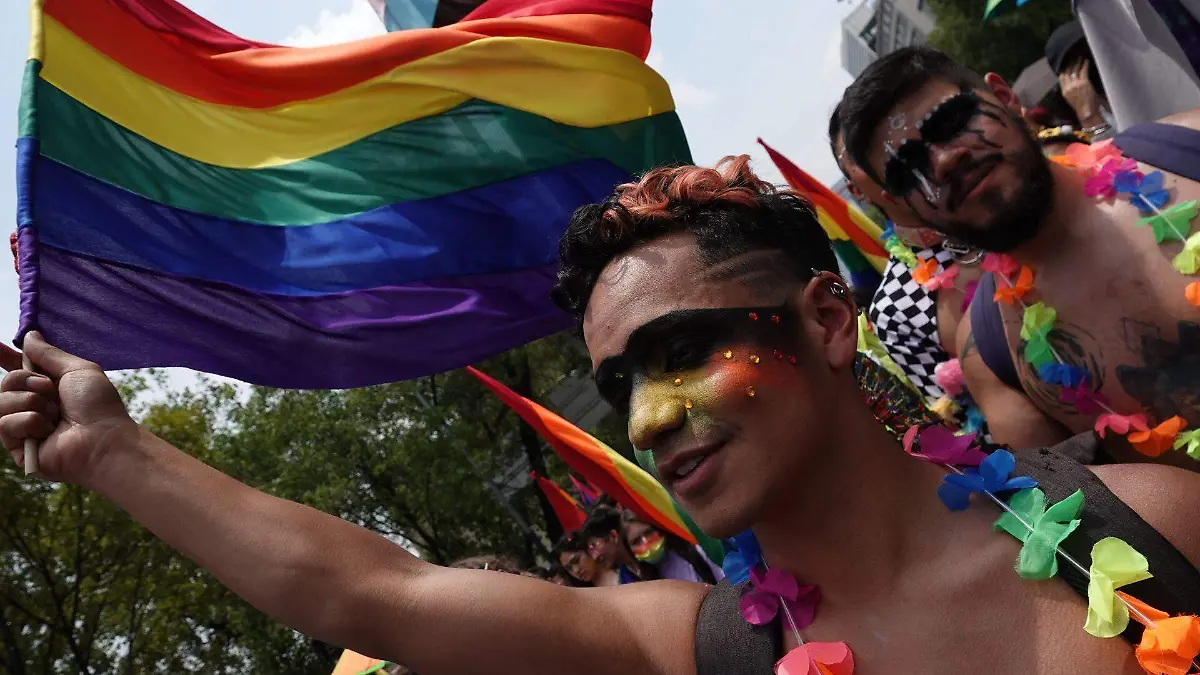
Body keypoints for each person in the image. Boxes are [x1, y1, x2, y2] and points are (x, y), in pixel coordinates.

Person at [3, 155, 1200, 674]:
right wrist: (111, 449)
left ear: (830, 324)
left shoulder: (1154, 527)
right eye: (623, 381)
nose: (648, 416)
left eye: (681, 351)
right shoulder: (703, 651)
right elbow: (378, 596)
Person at [836, 45, 1200, 463]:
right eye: (908, 168)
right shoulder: (994, 358)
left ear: (1005, 97)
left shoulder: (1185, 149)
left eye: (951, 121)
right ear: (900, 203)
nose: (945, 161)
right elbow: (1100, 515)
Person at [619, 509, 721, 585]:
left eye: (649, 532)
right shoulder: (646, 587)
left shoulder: (698, 552)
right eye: (636, 541)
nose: (645, 543)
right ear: (629, 549)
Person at [581, 505, 657, 584]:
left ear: (613, 536)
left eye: (594, 545)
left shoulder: (654, 554)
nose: (594, 557)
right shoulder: (624, 580)